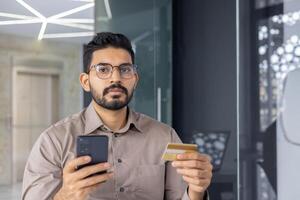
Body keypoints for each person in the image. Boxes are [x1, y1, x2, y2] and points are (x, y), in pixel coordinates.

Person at [22, 32, 212, 200]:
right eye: (103, 69)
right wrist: (65, 197)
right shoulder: (54, 141)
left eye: (125, 69)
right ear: (85, 81)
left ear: (135, 80)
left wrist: (197, 190)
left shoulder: (165, 137)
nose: (116, 78)